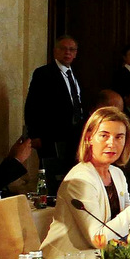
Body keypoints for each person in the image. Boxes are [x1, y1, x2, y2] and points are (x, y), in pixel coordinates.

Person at [41, 107, 130, 259]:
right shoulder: (80, 180)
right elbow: (98, 239)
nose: (111, 143)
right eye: (104, 136)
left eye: (119, 137)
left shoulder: (117, 173)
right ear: (89, 138)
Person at [24, 36, 87, 175]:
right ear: (55, 51)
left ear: (76, 53)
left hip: (75, 136)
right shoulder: (44, 73)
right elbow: (32, 105)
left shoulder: (75, 75)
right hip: (51, 136)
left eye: (72, 50)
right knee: (52, 174)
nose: (68, 53)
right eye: (63, 49)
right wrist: (34, 134)